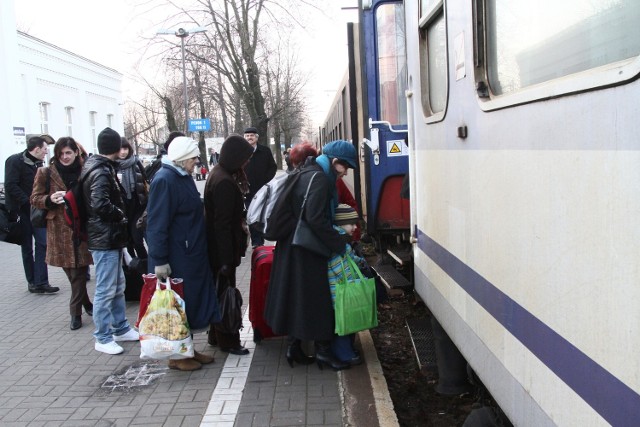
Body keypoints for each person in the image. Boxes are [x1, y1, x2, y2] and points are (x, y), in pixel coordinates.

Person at [264, 140, 358, 371]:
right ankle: (323, 354)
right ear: (335, 161)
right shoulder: (320, 179)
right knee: (318, 302)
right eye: (345, 166)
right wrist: (338, 244)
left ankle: (294, 347)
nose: (345, 171)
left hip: (293, 245)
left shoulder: (307, 170)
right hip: (308, 249)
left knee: (299, 299)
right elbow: (316, 219)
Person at [146, 136, 221, 371]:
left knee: (189, 302)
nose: (197, 162)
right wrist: (159, 260)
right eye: (193, 157)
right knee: (179, 304)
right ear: (181, 158)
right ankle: (177, 356)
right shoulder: (165, 180)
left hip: (189, 252)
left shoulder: (180, 176)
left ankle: (187, 348)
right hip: (178, 255)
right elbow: (157, 223)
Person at [83, 127, 139, 355]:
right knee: (106, 289)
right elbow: (99, 204)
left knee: (117, 286)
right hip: (104, 238)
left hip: (108, 238)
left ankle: (120, 328)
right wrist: (120, 214)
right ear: (116, 148)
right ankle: (103, 336)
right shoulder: (102, 172)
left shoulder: (98, 167)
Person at [30, 137, 93, 330]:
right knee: (72, 273)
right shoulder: (46, 172)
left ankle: (75, 314)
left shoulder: (86, 170)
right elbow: (34, 198)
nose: (65, 157)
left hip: (81, 227)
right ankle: (87, 304)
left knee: (80, 272)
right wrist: (49, 199)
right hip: (58, 229)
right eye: (61, 154)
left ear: (76, 153)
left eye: (68, 153)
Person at [204, 135, 254, 356]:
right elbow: (222, 225)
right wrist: (226, 259)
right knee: (226, 295)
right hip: (221, 249)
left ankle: (216, 334)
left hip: (217, 248)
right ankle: (229, 340)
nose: (246, 163)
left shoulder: (218, 174)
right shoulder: (224, 181)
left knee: (219, 293)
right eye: (244, 158)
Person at [4, 135, 58, 294]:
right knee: (27, 246)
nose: (46, 153)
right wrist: (29, 201)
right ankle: (33, 282)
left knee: (42, 243)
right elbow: (10, 185)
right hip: (22, 210)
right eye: (45, 149)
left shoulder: (40, 164)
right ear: (36, 149)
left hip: (37, 210)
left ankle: (42, 281)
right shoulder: (14, 161)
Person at [327, 204, 370, 366]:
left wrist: (360, 261)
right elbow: (341, 267)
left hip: (340, 290)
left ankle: (348, 350)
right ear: (340, 224)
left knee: (348, 323)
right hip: (340, 292)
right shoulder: (337, 243)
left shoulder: (341, 241)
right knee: (344, 326)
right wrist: (357, 278)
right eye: (351, 224)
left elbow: (350, 258)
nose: (354, 227)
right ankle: (344, 354)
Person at [243, 127, 277, 247]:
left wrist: (265, 181)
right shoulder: (241, 151)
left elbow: (273, 167)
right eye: (247, 136)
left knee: (260, 215)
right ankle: (255, 240)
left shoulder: (265, 151)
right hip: (246, 191)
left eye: (252, 135)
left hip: (261, 190)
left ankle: (259, 240)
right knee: (250, 215)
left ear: (257, 137)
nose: (249, 138)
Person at [117, 137, 148, 260]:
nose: (123, 152)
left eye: (125, 148)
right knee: (127, 243)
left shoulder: (136, 162)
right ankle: (134, 272)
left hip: (137, 208)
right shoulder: (112, 166)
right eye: (120, 149)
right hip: (122, 210)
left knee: (137, 240)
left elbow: (145, 182)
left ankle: (146, 268)